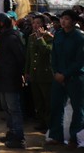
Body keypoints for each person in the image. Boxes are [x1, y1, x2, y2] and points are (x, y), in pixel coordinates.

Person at [48, 9, 84, 147]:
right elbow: (54, 56)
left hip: (75, 78)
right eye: (62, 18)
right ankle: (56, 136)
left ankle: (75, 139)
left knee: (78, 108)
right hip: (58, 77)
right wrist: (56, 72)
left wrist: (65, 74)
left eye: (67, 19)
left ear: (74, 21)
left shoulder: (80, 37)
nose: (63, 21)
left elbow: (80, 61)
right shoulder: (58, 35)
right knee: (56, 106)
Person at [0, 12, 26, 148]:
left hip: (11, 77)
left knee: (14, 108)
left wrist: (20, 73)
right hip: (2, 77)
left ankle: (19, 138)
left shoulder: (12, 37)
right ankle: (12, 132)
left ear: (2, 23)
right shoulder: (1, 36)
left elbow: (20, 57)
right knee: (6, 107)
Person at [25, 13, 53, 133]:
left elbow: (47, 51)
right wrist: (26, 72)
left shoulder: (49, 37)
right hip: (34, 75)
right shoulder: (31, 37)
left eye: (38, 23)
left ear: (44, 25)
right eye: (34, 23)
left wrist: (40, 38)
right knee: (38, 101)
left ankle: (49, 124)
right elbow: (29, 57)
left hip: (45, 75)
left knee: (47, 100)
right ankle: (42, 122)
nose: (35, 25)